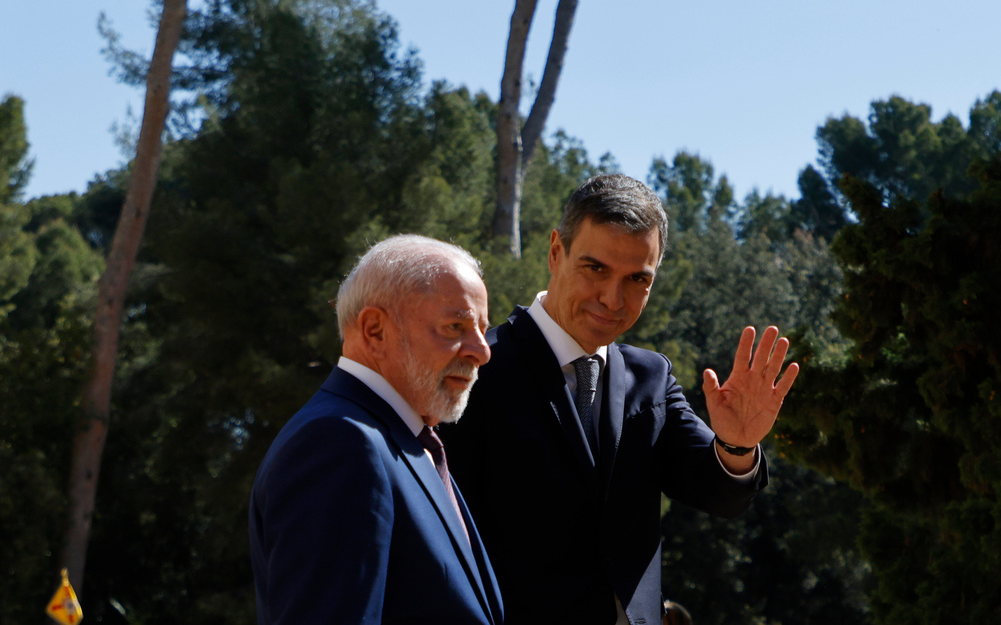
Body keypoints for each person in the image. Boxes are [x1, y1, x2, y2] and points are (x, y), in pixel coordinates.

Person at [442, 175, 799, 625]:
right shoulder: (476, 375)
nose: (613, 299)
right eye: (596, 269)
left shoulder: (650, 377)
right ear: (556, 252)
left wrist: (739, 445)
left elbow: (720, 496)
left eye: (637, 279)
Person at [249, 235, 504, 625]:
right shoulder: (340, 442)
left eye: (482, 330)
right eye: (455, 327)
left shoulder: (403, 441)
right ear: (374, 330)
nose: (482, 351)